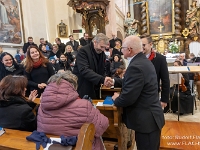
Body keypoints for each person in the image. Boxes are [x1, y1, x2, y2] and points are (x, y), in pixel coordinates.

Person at [110, 35, 165, 150]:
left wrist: (116, 98)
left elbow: (128, 98)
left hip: (147, 122)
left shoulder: (136, 66)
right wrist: (115, 82)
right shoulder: (142, 61)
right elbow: (134, 85)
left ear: (129, 49)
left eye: (122, 47)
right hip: (150, 119)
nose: (121, 50)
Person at [37, 71, 109, 150]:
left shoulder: (42, 106)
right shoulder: (84, 105)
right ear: (72, 86)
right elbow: (102, 126)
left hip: (48, 146)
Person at [73, 33, 111, 99]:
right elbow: (84, 70)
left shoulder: (101, 53)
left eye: (104, 47)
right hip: (83, 87)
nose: (103, 49)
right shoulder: (83, 51)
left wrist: (105, 78)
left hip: (96, 87)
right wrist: (102, 79)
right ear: (95, 42)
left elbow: (102, 69)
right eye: (101, 47)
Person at [140, 34, 170, 109]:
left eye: (143, 45)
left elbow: (165, 80)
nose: (141, 47)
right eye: (140, 45)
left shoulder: (160, 59)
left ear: (150, 44)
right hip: (138, 93)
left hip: (153, 94)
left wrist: (164, 99)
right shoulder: (137, 58)